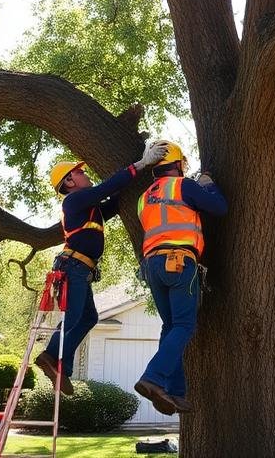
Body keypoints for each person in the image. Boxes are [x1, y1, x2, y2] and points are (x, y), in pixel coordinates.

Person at [35, 142, 169, 395]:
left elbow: (115, 201)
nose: (85, 174)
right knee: (75, 317)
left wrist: (146, 182)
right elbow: (107, 188)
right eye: (79, 173)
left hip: (81, 269)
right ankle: (51, 355)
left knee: (88, 317)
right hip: (72, 267)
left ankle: (60, 365)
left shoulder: (90, 209)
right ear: (70, 182)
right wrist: (141, 163)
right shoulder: (74, 201)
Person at [133, 141, 227, 415]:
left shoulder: (143, 198)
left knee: (170, 325)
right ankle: (152, 378)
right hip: (178, 262)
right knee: (185, 325)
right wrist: (207, 184)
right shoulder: (182, 186)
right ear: (176, 164)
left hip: (152, 266)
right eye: (182, 164)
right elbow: (219, 208)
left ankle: (173, 390)